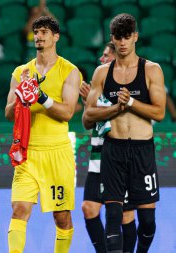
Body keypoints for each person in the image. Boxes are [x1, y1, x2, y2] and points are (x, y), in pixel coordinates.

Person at [84, 14, 165, 253]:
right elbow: (88, 118)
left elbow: (159, 113)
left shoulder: (151, 69)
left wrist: (130, 103)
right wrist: (114, 108)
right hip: (114, 150)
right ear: (112, 38)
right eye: (118, 37)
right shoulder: (101, 73)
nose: (122, 42)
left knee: (147, 222)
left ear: (135, 37)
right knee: (113, 217)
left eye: (127, 37)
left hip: (142, 151)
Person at [5, 16, 81, 253]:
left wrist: (40, 97)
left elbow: (68, 112)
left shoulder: (70, 71)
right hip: (28, 154)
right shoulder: (20, 72)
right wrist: (20, 96)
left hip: (57, 154)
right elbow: (8, 113)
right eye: (36, 32)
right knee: (19, 209)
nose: (38, 36)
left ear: (55, 37)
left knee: (61, 217)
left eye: (44, 32)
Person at [81, 42, 137, 253]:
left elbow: (125, 118)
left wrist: (95, 105)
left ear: (115, 59)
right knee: (89, 208)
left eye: (105, 56)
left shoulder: (129, 86)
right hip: (98, 161)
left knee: (126, 215)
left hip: (122, 162)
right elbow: (89, 121)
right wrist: (90, 105)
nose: (101, 60)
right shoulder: (98, 86)